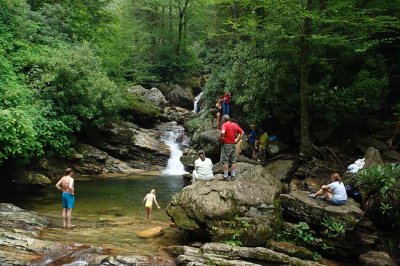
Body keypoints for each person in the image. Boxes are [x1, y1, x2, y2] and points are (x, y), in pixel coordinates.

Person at [220, 114, 244, 181]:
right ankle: (233, 176)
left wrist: (222, 138)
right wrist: (237, 140)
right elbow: (242, 132)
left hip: (226, 145)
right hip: (233, 144)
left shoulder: (224, 125)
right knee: (233, 161)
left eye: (222, 119)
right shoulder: (234, 124)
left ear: (224, 119)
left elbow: (222, 132)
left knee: (225, 161)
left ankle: (225, 176)